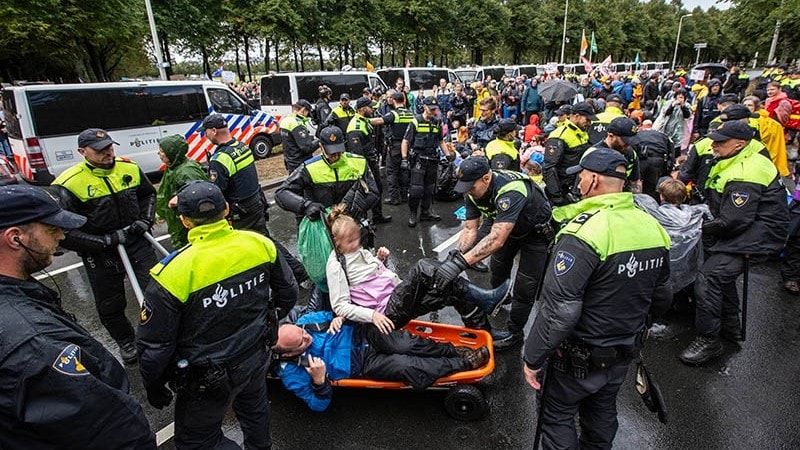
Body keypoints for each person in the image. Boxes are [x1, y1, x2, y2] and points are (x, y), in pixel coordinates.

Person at [522, 148, 672, 449]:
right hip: (622, 350)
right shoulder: (652, 226)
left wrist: (533, 356)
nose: (577, 184)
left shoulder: (585, 232)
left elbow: (560, 310)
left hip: (577, 356)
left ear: (592, 180)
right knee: (602, 411)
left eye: (579, 177)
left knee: (556, 416)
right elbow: (662, 293)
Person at [138, 180, 298, 449]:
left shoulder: (172, 274)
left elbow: (155, 346)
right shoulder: (259, 244)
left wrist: (154, 384)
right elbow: (288, 294)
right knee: (255, 412)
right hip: (255, 355)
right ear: (225, 209)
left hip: (206, 377)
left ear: (185, 221)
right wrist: (267, 325)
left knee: (196, 441)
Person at [0, 185, 156, 449]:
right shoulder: (37, 344)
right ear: (16, 238)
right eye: (51, 229)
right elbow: (113, 431)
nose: (61, 236)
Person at [679, 121, 788, 365]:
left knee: (710, 277)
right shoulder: (736, 158)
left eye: (720, 141)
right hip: (745, 229)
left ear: (739, 144)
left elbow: (733, 221)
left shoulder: (746, 171)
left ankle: (708, 340)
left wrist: (695, 228)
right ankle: (730, 327)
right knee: (720, 273)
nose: (714, 145)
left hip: (755, 235)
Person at [51, 128, 157, 364]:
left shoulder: (129, 168)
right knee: (110, 303)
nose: (108, 152)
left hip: (135, 242)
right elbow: (64, 230)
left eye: (109, 147)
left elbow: (148, 195)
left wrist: (145, 220)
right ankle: (127, 341)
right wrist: (103, 241)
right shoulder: (68, 184)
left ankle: (160, 333)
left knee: (155, 291)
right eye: (100, 150)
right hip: (100, 253)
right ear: (82, 151)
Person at [325, 204, 510, 332]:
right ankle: (485, 298)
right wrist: (372, 316)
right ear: (336, 241)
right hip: (387, 312)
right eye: (350, 241)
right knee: (423, 267)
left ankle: (485, 331)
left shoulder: (358, 251)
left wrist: (381, 261)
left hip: (398, 299)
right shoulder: (335, 265)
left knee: (449, 288)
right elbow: (340, 305)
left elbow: (373, 280)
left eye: (357, 238)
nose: (356, 243)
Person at [273, 310, 490, 412]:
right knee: (404, 365)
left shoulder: (306, 323)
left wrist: (341, 316)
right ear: (287, 354)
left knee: (405, 344)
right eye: (301, 342)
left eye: (302, 333)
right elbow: (318, 405)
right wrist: (320, 382)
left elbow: (340, 310)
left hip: (366, 335)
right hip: (362, 365)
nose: (307, 337)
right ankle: (464, 363)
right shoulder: (292, 373)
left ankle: (454, 351)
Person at [438, 156, 553, 349]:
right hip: (509, 229)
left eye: (471, 187)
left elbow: (497, 239)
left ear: (486, 178)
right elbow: (470, 229)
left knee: (525, 286)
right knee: (497, 269)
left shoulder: (511, 190)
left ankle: (515, 333)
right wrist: (455, 256)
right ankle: (501, 298)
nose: (468, 192)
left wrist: (461, 263)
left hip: (535, 233)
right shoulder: (472, 191)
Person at [276, 126, 379, 226]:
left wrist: (353, 209)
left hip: (353, 224)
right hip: (324, 226)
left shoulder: (359, 162)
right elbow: (282, 193)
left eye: (339, 151)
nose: (336, 156)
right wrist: (306, 206)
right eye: (331, 152)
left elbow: (373, 192)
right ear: (321, 146)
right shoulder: (310, 168)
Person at [401, 96, 455, 227]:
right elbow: (405, 141)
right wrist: (404, 159)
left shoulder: (437, 122)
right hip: (419, 159)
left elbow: (441, 141)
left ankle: (425, 213)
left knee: (429, 189)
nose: (433, 111)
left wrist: (448, 156)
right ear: (424, 107)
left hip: (432, 160)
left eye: (435, 109)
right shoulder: (416, 122)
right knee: (416, 190)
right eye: (431, 109)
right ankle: (413, 214)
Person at [156, 134, 208, 249]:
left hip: (187, 228)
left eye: (162, 151)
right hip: (179, 224)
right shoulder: (173, 167)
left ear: (171, 152)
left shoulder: (187, 172)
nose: (158, 153)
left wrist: (181, 199)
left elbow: (199, 196)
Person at [347, 96, 392, 224]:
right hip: (364, 165)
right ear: (362, 109)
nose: (372, 108)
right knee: (364, 192)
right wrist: (364, 170)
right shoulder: (355, 126)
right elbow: (356, 153)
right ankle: (363, 220)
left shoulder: (364, 120)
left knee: (377, 189)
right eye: (370, 107)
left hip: (371, 162)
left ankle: (377, 216)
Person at [543, 102, 596, 206]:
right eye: (587, 120)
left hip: (579, 188)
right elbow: (548, 168)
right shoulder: (559, 136)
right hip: (564, 190)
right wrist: (558, 197)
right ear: (577, 116)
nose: (589, 123)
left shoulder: (582, 133)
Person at [371, 91, 415, 205]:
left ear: (394, 101)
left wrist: (364, 120)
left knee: (391, 171)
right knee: (404, 171)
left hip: (395, 147)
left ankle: (394, 198)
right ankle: (404, 196)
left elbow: (380, 121)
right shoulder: (411, 114)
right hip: (408, 146)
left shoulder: (393, 114)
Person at [280, 99, 320, 172]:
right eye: (307, 112)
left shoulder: (286, 121)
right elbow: (307, 147)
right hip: (300, 163)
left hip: (290, 162)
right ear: (303, 110)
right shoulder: (297, 124)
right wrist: (319, 141)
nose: (308, 115)